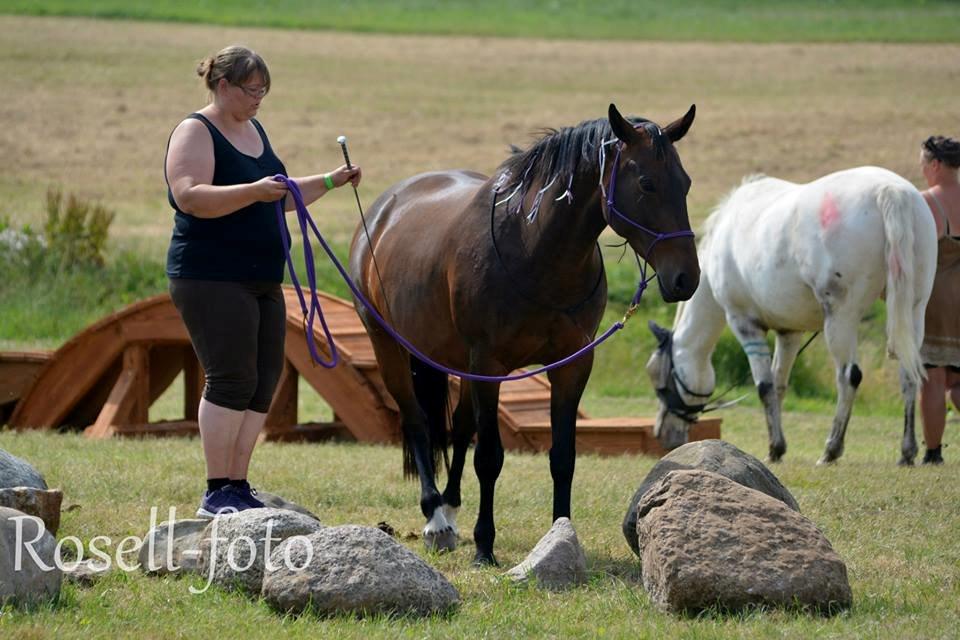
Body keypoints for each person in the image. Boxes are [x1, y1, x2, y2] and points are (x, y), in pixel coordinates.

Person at [164, 45, 361, 516]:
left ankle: (237, 483)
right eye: (251, 90)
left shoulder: (255, 130)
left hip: (262, 278)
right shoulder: (196, 130)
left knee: (262, 380)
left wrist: (331, 181)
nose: (258, 99)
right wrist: (254, 191)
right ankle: (216, 489)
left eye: (264, 91)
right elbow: (190, 196)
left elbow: (284, 197)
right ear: (223, 85)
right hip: (210, 276)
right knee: (230, 378)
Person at [918, 135, 960, 465]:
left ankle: (933, 453)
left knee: (932, 376)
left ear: (935, 165)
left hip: (938, 299)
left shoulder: (926, 203)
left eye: (923, 164)